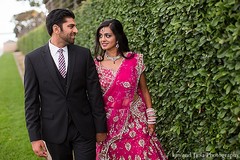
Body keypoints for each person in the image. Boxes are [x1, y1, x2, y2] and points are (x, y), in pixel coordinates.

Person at [24, 8, 107, 160]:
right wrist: (34, 137)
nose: (75, 30)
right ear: (56, 29)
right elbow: (31, 102)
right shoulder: (33, 59)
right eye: (71, 26)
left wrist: (101, 127)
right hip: (53, 130)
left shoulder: (83, 54)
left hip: (84, 128)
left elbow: (95, 93)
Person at [94, 19, 168, 159]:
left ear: (118, 37)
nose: (102, 39)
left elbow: (144, 90)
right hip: (109, 123)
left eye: (107, 35)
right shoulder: (95, 64)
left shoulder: (135, 60)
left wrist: (151, 118)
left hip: (136, 118)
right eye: (100, 36)